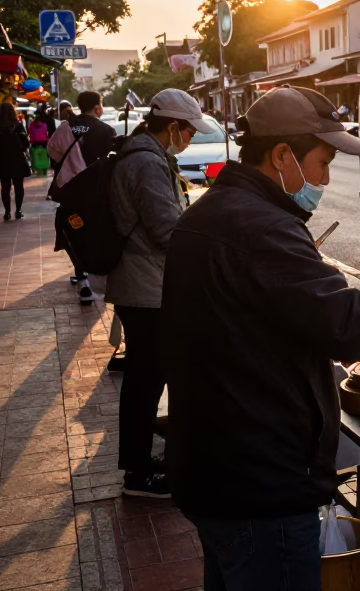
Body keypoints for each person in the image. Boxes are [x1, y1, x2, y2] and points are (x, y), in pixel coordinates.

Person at [160, 85, 360, 589]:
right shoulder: (261, 227)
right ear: (283, 155)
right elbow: (344, 322)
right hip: (258, 483)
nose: (327, 178)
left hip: (216, 468)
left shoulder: (219, 212)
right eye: (324, 162)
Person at [108, 89, 217, 499]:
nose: (189, 139)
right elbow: (165, 230)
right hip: (145, 287)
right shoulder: (147, 163)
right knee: (144, 381)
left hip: (143, 284)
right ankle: (138, 474)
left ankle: (140, 463)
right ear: (172, 127)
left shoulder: (143, 156)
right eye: (188, 132)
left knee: (147, 378)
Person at [48, 92, 118, 306]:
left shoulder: (64, 127)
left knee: (73, 231)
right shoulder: (107, 131)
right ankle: (99, 276)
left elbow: (54, 154)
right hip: (97, 194)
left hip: (71, 192)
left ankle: (83, 277)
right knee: (96, 231)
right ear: (97, 108)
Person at [0, 104, 31, 220]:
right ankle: (18, 210)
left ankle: (7, 212)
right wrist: (20, 149)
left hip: (2, 159)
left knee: (5, 186)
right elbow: (26, 142)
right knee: (18, 186)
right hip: (17, 158)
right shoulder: (18, 125)